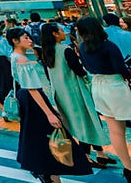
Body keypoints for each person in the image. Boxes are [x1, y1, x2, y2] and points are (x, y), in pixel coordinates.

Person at [7, 27, 91, 183]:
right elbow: (33, 88)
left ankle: (50, 177)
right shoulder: (21, 59)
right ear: (15, 41)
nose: (30, 40)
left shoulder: (15, 57)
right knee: (54, 138)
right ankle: (54, 181)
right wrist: (49, 113)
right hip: (34, 100)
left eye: (29, 37)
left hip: (29, 100)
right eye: (25, 37)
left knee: (42, 139)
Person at [40, 23, 114, 169]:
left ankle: (101, 154)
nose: (64, 33)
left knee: (83, 122)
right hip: (76, 91)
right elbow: (79, 71)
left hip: (61, 93)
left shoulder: (46, 52)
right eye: (61, 30)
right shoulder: (65, 50)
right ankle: (86, 156)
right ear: (55, 34)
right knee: (87, 122)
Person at [76, 16, 131, 183]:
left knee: (115, 130)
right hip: (115, 86)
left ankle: (128, 168)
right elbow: (121, 69)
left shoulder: (82, 47)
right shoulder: (108, 46)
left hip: (98, 86)